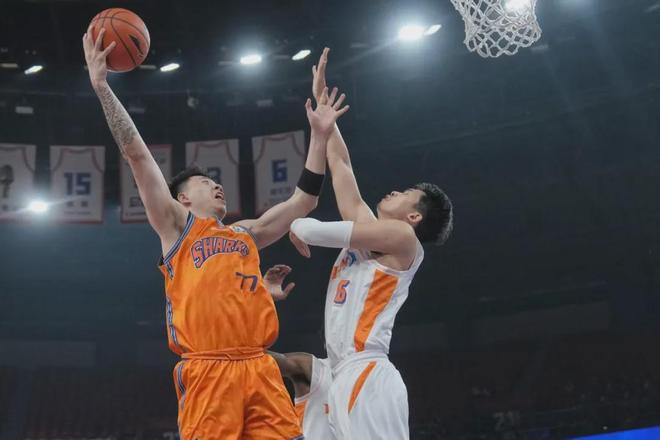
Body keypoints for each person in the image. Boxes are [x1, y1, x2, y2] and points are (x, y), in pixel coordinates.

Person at [83, 28, 349, 440]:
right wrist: (102, 88)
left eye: (216, 181)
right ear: (183, 198)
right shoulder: (176, 227)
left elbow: (304, 201)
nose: (217, 186)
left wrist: (319, 136)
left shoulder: (245, 234)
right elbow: (137, 154)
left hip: (259, 365)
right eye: (206, 183)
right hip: (208, 368)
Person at [288, 48, 454, 439]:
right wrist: (325, 116)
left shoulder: (403, 238)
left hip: (368, 371)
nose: (395, 191)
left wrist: (297, 223)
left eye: (406, 194)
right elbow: (341, 166)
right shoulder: (371, 233)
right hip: (343, 373)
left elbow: (314, 231)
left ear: (414, 217)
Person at [262, 265, 334, 440]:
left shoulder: (379, 376)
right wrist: (261, 299)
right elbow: (249, 355)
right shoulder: (315, 369)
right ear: (326, 341)